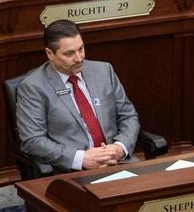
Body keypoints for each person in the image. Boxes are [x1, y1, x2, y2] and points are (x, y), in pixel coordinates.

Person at [15, 19, 140, 172]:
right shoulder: (33, 87)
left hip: (117, 162)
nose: (79, 58)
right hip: (72, 171)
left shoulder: (104, 71)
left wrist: (120, 148)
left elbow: (128, 116)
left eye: (81, 49)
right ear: (50, 54)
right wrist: (81, 158)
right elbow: (33, 141)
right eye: (69, 53)